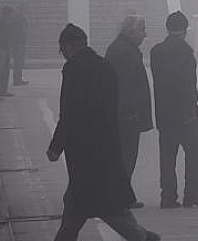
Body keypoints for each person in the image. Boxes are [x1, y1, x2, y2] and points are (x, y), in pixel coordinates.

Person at [47, 24, 159, 241]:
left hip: (83, 150)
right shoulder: (104, 66)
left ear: (68, 47)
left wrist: (55, 146)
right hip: (106, 146)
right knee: (101, 205)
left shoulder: (74, 70)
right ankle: (143, 238)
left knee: (94, 206)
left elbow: (70, 112)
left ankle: (144, 238)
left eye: (63, 51)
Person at [150, 11, 198, 209]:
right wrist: (190, 111)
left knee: (167, 157)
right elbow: (187, 84)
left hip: (164, 113)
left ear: (168, 28)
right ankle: (191, 195)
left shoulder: (156, 52)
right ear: (185, 30)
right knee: (194, 155)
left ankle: (168, 196)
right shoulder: (185, 52)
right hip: (185, 114)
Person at [104, 15, 154, 210]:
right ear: (131, 31)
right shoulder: (123, 52)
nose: (145, 34)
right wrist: (128, 111)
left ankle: (121, 194)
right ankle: (121, 197)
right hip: (125, 116)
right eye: (142, 29)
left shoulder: (123, 49)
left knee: (125, 156)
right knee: (126, 155)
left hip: (124, 113)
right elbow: (123, 85)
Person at [0, 6, 15, 97]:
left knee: (3, 70)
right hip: (4, 49)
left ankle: (2, 89)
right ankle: (2, 90)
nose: (12, 15)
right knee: (4, 70)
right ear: (8, 14)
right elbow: (7, 37)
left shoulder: (2, 22)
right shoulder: (5, 23)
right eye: (11, 13)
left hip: (3, 48)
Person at [11, 4, 29, 86]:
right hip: (17, 43)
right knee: (18, 62)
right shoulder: (15, 20)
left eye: (22, 10)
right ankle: (16, 79)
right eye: (20, 10)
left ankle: (19, 78)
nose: (22, 12)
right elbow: (15, 32)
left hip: (22, 42)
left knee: (20, 62)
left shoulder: (23, 20)